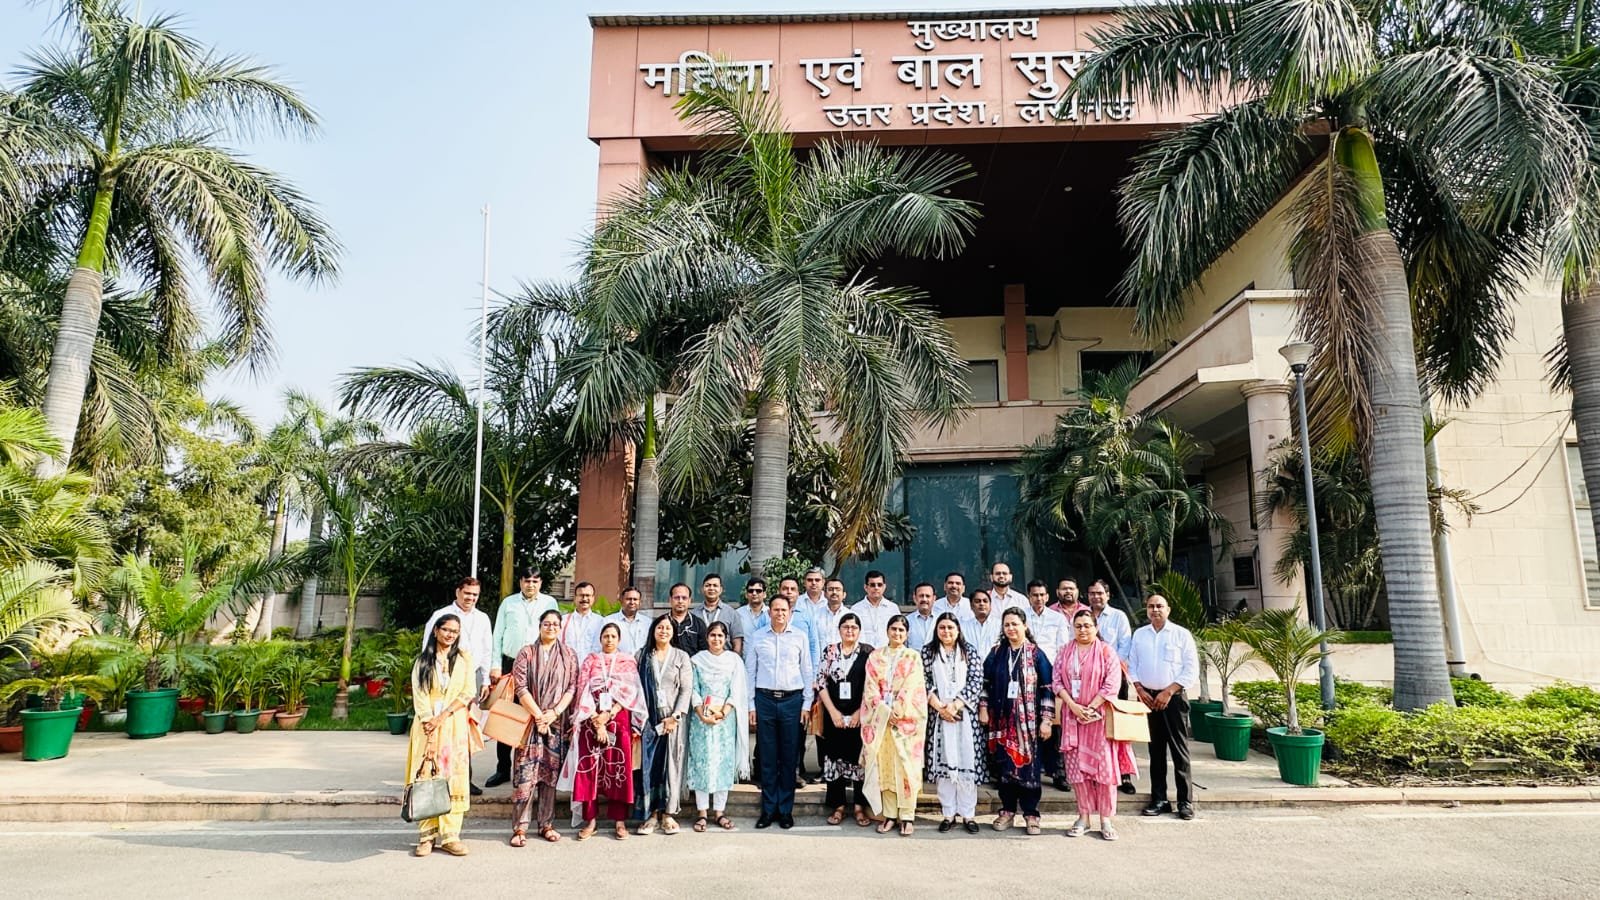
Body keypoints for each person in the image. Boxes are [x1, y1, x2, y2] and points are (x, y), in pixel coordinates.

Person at [559, 623, 645, 841]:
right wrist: (597, 722)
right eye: (606, 636)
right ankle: (590, 820)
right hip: (591, 718)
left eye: (613, 636)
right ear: (600, 639)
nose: (609, 640)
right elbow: (582, 690)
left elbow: (633, 693)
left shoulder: (627, 662)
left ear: (619, 639)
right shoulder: (590, 661)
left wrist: (610, 714)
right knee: (589, 769)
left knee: (618, 769)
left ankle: (619, 821)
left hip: (619, 719)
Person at [405, 613, 482, 857]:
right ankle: (426, 835)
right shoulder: (423, 661)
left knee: (453, 777)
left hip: (453, 723)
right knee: (426, 775)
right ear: (436, 630)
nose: (450, 635)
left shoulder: (464, 659)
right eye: (446, 630)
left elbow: (468, 691)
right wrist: (429, 720)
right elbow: (419, 694)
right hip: (426, 726)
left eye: (455, 631)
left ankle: (450, 835)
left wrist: (443, 716)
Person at [1052, 609, 1127, 841]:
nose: (1083, 630)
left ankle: (1105, 819)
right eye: (1078, 626)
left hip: (1099, 719)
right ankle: (1083, 817)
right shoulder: (1065, 651)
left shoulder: (1106, 651)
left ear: (1096, 627)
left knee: (1104, 770)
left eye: (1087, 625)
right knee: (1077, 771)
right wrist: (1074, 706)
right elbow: (1056, 682)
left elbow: (1112, 684)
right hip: (1072, 717)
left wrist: (1091, 707)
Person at [980, 608, 1054, 835]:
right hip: (1002, 722)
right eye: (1007, 625)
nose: (1011, 628)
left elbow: (1048, 688)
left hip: (1028, 725)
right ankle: (1007, 811)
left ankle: (1031, 814)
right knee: (1004, 767)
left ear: (1025, 626)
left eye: (1015, 624)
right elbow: (985, 682)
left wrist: (1046, 720)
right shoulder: (996, 653)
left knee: (1029, 768)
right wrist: (983, 708)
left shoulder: (1036, 654)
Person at [507, 610, 577, 847]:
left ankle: (546, 824)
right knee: (525, 776)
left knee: (550, 776)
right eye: (547, 623)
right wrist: (538, 715)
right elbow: (520, 687)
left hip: (555, 723)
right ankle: (520, 828)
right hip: (530, 723)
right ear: (539, 626)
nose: (551, 627)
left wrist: (554, 713)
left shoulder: (569, 655)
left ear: (560, 627)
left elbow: (571, 687)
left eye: (555, 624)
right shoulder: (526, 653)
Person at [1129, 593, 1200, 821]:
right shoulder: (1140, 635)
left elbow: (1191, 669)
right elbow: (1132, 665)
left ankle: (1185, 801)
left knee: (1179, 751)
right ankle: (1159, 799)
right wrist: (1139, 689)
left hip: (1173, 699)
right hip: (1148, 699)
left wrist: (1168, 691)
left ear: (1168, 609)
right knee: (1155, 752)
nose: (1155, 610)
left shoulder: (1181, 634)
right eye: (1151, 606)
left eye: (1159, 606)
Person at [485, 568, 558, 789]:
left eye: (535, 581)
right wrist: (495, 665)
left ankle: (532, 768)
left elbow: (555, 633)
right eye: (527, 581)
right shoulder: (508, 603)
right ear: (520, 582)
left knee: (535, 715)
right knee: (507, 715)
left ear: (540, 582)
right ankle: (502, 768)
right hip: (510, 663)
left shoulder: (549, 602)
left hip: (538, 665)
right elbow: (497, 635)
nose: (531, 585)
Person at [744, 595, 812, 829]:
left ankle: (785, 811)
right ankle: (768, 809)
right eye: (776, 609)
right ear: (769, 612)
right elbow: (750, 672)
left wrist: (806, 704)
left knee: (789, 757)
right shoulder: (758, 637)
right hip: (764, 699)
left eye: (784, 610)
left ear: (790, 613)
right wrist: (751, 705)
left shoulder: (800, 637)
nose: (780, 613)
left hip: (792, 700)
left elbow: (807, 671)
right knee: (768, 756)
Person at [423, 578, 493, 795]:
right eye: (467, 593)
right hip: (445, 678)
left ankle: (464, 779)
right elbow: (427, 647)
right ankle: (437, 776)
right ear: (458, 592)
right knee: (443, 726)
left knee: (465, 731)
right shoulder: (441, 615)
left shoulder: (482, 618)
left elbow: (487, 649)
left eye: (475, 595)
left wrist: (486, 679)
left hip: (472, 679)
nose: (470, 598)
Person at [860, 614, 927, 836]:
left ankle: (907, 816)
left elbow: (913, 687)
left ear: (907, 634)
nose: (897, 633)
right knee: (885, 767)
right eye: (894, 629)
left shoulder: (913, 657)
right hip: (881, 721)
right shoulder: (875, 656)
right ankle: (889, 815)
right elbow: (870, 687)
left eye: (901, 630)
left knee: (906, 767)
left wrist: (896, 711)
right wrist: (883, 712)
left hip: (905, 721)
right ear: (887, 631)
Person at [923, 612, 986, 834]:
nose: (946, 632)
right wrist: (941, 708)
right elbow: (924, 681)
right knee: (944, 765)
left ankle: (968, 814)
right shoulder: (928, 652)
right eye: (942, 628)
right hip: (938, 715)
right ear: (936, 630)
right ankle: (948, 813)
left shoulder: (969, 651)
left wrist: (956, 705)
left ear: (958, 630)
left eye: (950, 627)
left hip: (965, 715)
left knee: (966, 762)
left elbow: (976, 680)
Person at [633, 615, 694, 835]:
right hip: (647, 721)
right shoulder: (641, 656)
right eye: (660, 627)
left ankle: (668, 814)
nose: (664, 631)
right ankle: (651, 815)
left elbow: (686, 689)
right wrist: (639, 719)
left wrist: (675, 716)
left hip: (673, 722)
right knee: (649, 766)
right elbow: (634, 688)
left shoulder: (681, 656)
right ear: (653, 630)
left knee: (672, 765)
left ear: (673, 632)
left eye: (668, 628)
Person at [687, 621, 750, 832]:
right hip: (701, 720)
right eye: (712, 635)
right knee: (702, 763)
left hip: (725, 720)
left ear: (726, 639)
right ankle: (702, 813)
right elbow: (693, 689)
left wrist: (723, 711)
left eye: (720, 636)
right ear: (707, 638)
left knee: (723, 763)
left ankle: (720, 812)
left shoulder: (733, 661)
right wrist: (701, 713)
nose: (716, 639)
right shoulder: (697, 660)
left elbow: (736, 690)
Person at [815, 612, 872, 827]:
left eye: (854, 627)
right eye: (846, 627)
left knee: (859, 761)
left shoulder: (868, 653)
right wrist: (833, 712)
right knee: (834, 760)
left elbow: (872, 686)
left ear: (859, 630)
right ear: (839, 629)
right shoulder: (830, 651)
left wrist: (859, 712)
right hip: (835, 715)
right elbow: (821, 683)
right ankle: (837, 806)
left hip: (859, 716)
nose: (850, 630)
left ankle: (859, 807)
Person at [1088, 578, 1139, 795]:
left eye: (1100, 593)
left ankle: (1124, 775)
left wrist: (1108, 670)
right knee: (1094, 729)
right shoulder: (1083, 616)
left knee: (1118, 727)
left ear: (1107, 595)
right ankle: (1097, 773)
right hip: (1090, 682)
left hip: (1115, 680)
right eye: (1092, 593)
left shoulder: (1118, 617)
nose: (1096, 597)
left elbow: (1125, 648)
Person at [1024, 579, 1072, 791]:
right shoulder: (1022, 615)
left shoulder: (1057, 618)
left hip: (1051, 676)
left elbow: (1063, 648)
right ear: (1029, 596)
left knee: (1054, 723)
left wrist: (1059, 677)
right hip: (1026, 675)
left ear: (1047, 596)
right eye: (1035, 595)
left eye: (1042, 595)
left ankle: (1058, 772)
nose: (1038, 599)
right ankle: (1031, 771)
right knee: (1028, 722)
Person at [693, 574, 744, 654]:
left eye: (715, 585)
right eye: (708, 585)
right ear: (702, 589)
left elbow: (737, 642)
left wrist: (734, 659)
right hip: (700, 659)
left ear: (721, 589)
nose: (711, 588)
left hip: (725, 659)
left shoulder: (731, 613)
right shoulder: (694, 614)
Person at [851, 570, 899, 647]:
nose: (876, 588)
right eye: (872, 585)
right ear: (866, 587)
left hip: (887, 651)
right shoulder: (856, 609)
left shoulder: (893, 608)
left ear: (884, 587)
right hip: (863, 652)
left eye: (879, 585)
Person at [560, 581, 605, 661]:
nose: (584, 599)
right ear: (575, 598)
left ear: (593, 598)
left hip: (592, 666)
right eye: (581, 595)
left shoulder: (601, 622)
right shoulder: (563, 620)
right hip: (568, 665)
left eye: (588, 595)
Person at [604, 586, 652, 655]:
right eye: (628, 599)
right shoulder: (609, 621)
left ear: (640, 602)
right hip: (617, 660)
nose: (632, 602)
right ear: (621, 600)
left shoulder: (647, 622)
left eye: (635, 599)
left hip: (642, 661)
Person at [665, 583, 708, 656]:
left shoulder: (698, 624)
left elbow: (705, 652)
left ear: (690, 601)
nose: (680, 601)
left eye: (684, 598)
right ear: (670, 600)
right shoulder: (661, 623)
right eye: (677, 597)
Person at [961, 588, 1002, 653]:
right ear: (971, 606)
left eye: (985, 601)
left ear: (990, 605)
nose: (982, 604)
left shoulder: (1000, 625)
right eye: (977, 601)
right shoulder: (963, 627)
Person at [734, 578, 771, 648]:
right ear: (746, 594)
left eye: (758, 591)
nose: (754, 593)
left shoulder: (772, 613)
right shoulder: (738, 614)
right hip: (744, 655)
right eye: (751, 591)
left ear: (764, 594)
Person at [905, 582, 938, 650]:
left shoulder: (941, 620)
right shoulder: (907, 620)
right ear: (914, 598)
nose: (924, 599)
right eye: (921, 596)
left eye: (928, 596)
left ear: (934, 598)